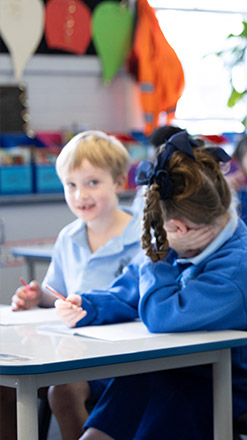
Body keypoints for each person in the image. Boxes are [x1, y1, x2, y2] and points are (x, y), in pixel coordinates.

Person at [53, 131, 247, 439]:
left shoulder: (238, 268)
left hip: (218, 383)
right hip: (165, 369)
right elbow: (130, 288)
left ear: (179, 227)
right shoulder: (184, 242)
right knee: (117, 399)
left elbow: (162, 316)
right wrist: (88, 306)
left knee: (155, 402)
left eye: (164, 233)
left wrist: (160, 257)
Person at [6, 130, 142, 440]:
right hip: (74, 351)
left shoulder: (141, 235)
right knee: (11, 388)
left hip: (124, 357)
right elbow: (55, 293)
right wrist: (34, 296)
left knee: (63, 390)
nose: (80, 195)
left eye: (92, 183)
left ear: (120, 182)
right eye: (71, 185)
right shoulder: (69, 236)